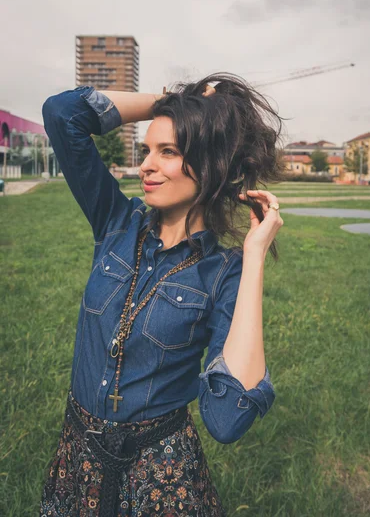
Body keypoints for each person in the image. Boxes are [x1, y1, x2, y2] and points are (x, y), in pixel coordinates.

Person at [39, 72, 285, 516]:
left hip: (161, 478)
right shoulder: (116, 221)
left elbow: (227, 420)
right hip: (78, 460)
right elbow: (62, 113)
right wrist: (174, 102)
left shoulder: (223, 273)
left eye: (167, 151)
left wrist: (254, 257)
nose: (145, 166)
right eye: (147, 150)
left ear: (209, 164)